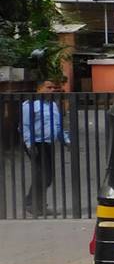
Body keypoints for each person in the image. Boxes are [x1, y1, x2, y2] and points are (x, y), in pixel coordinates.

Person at [21, 81, 69, 216]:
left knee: (47, 176)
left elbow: (57, 125)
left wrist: (65, 140)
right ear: (39, 89)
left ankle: (38, 205)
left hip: (48, 143)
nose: (52, 90)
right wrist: (30, 144)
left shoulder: (53, 105)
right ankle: (32, 204)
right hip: (35, 143)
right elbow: (25, 126)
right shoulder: (29, 105)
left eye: (54, 87)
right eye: (48, 87)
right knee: (43, 174)